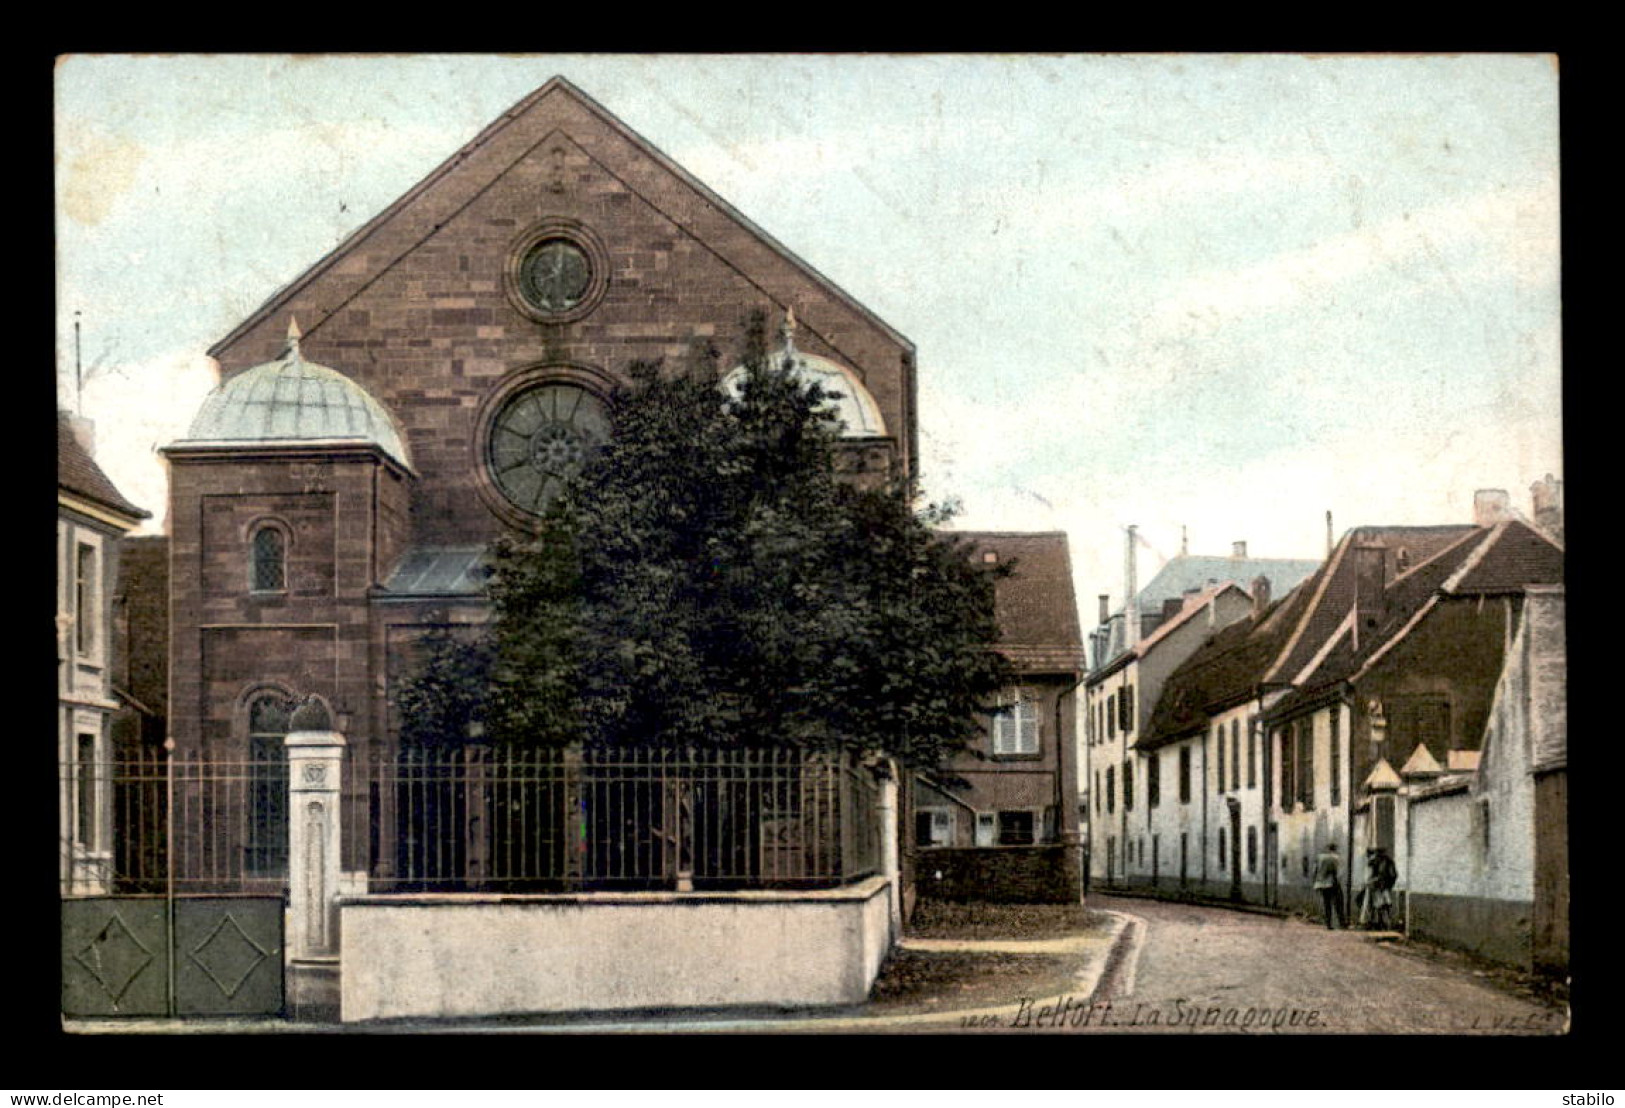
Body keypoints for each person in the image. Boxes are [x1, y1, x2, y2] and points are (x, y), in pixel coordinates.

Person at [1313, 842, 1343, 929]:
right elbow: (1338, 872)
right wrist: (1337, 881)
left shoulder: (1320, 857)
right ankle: (1341, 923)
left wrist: (1315, 881)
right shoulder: (1335, 858)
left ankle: (1328, 924)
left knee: (1327, 904)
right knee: (1338, 903)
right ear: (1335, 849)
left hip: (1321, 883)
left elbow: (1314, 871)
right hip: (1332, 883)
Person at [1366, 845, 1397, 930]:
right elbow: (1394, 875)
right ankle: (1384, 923)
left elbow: (1371, 875)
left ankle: (1380, 923)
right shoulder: (1389, 861)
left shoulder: (1375, 861)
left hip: (1378, 886)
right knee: (1385, 904)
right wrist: (1390, 885)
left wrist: (1372, 881)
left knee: (1379, 905)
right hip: (1384, 886)